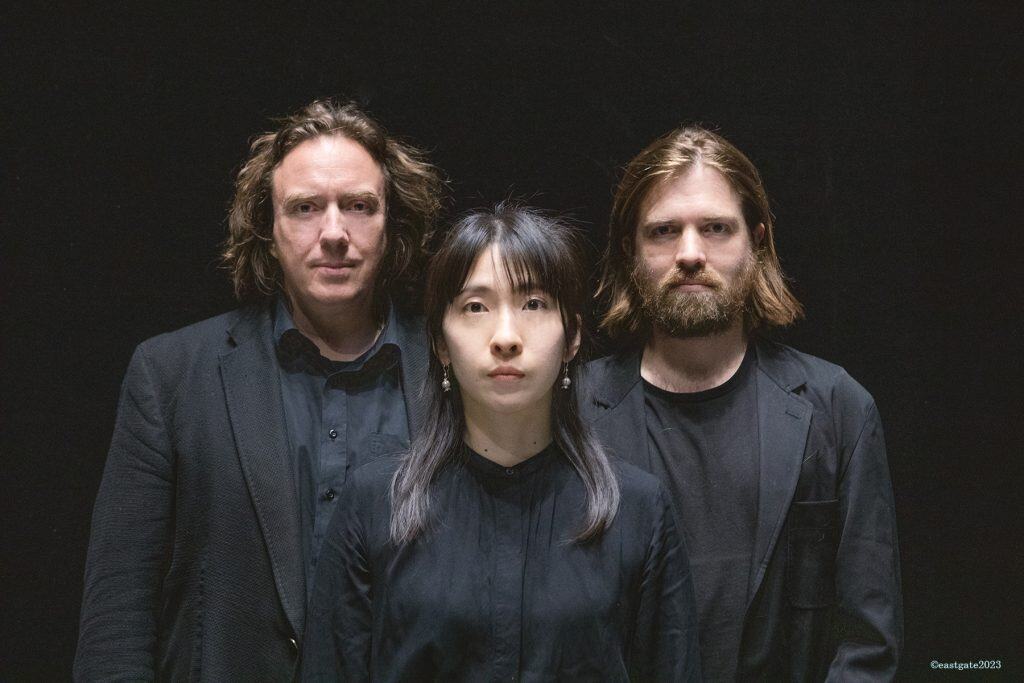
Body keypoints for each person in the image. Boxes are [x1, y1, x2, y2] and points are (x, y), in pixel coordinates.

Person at [74, 99, 443, 680]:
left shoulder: (450, 368)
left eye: (359, 206)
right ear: (266, 230)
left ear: (392, 224)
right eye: (304, 208)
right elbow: (118, 613)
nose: (334, 233)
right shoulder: (171, 375)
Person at [302, 204, 701, 681]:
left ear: (571, 337)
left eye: (534, 304)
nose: (506, 337)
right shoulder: (374, 504)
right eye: (476, 307)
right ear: (440, 344)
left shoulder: (637, 510)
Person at [582, 126, 903, 681]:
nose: (689, 253)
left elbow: (867, 645)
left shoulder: (838, 408)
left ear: (756, 242)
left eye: (715, 229)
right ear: (630, 251)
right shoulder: (574, 410)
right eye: (662, 231)